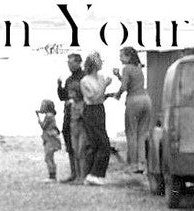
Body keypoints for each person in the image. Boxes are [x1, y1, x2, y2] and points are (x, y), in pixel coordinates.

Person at [79, 52, 115, 186]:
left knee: (97, 143)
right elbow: (93, 97)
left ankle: (93, 174)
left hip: (100, 109)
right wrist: (105, 86)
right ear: (93, 63)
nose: (101, 62)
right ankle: (94, 174)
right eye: (99, 60)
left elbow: (100, 96)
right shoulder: (85, 81)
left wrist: (108, 93)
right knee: (103, 143)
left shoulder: (100, 77)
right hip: (91, 110)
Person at [114, 46, 151, 174]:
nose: (120, 58)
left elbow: (124, 86)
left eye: (122, 55)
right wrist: (118, 76)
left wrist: (118, 94)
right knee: (142, 134)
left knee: (131, 133)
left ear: (128, 57)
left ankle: (133, 164)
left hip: (134, 100)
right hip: (146, 99)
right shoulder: (138, 67)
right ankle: (142, 164)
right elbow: (132, 82)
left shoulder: (127, 68)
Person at [56, 53, 85, 183]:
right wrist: (59, 86)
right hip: (68, 113)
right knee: (69, 143)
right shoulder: (69, 79)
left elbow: (86, 96)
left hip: (79, 115)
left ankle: (80, 174)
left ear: (79, 63)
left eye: (71, 63)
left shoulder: (84, 77)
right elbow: (63, 97)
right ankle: (74, 173)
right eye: (68, 63)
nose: (69, 65)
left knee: (79, 145)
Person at [35, 99, 62, 182]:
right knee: (49, 157)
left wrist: (39, 119)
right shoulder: (50, 115)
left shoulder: (49, 116)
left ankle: (52, 176)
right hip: (50, 139)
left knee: (48, 158)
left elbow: (44, 126)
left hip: (50, 139)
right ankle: (52, 175)